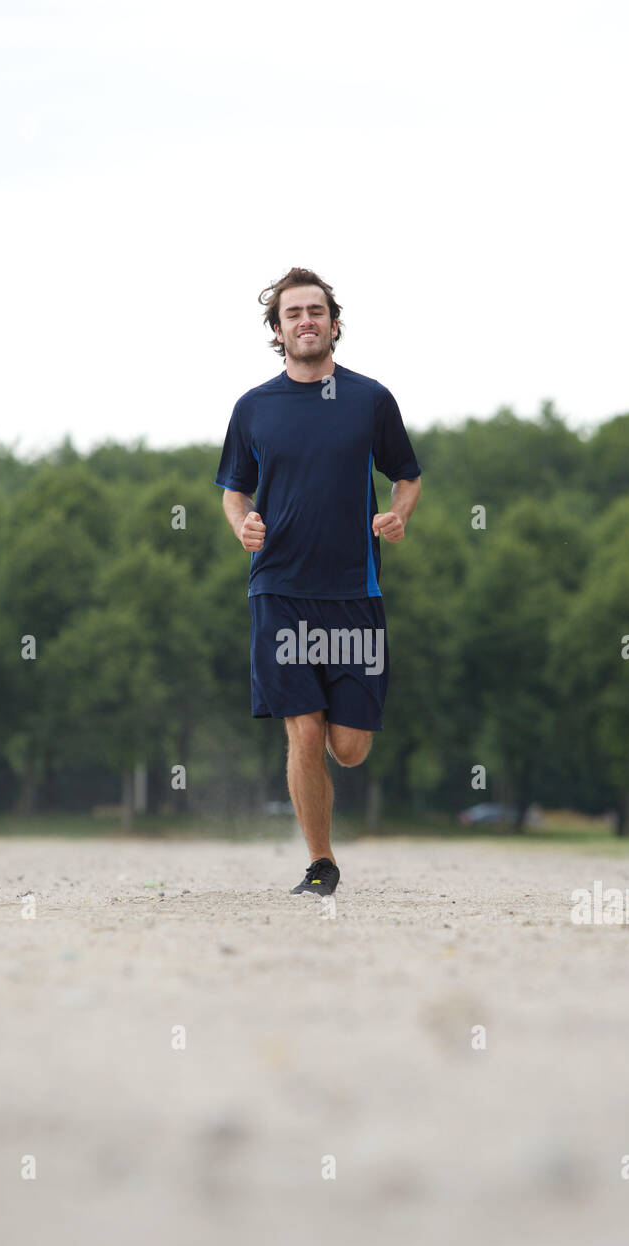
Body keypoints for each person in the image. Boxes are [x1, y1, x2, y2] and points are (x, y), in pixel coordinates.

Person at [216, 267, 422, 896]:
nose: (305, 320)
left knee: (350, 746)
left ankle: (340, 734)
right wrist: (242, 526)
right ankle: (321, 862)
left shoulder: (370, 400)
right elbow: (233, 490)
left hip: (354, 593)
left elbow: (407, 475)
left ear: (334, 323)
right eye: (292, 313)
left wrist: (398, 513)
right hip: (279, 591)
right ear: (277, 331)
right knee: (303, 727)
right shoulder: (254, 407)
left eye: (316, 311)